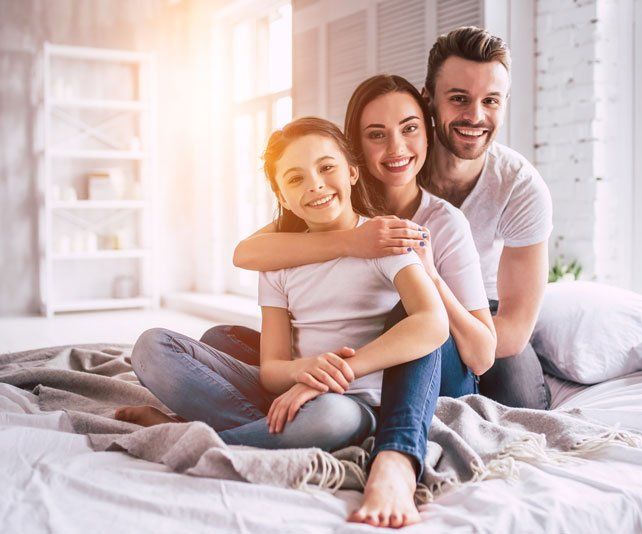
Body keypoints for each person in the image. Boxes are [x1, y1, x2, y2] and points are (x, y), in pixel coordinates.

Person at [116, 117, 458, 528]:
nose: (314, 184)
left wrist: (335, 373)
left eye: (327, 168)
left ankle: (183, 436)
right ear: (282, 195)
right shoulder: (281, 262)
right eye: (295, 179)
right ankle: (263, 431)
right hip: (287, 394)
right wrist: (300, 371)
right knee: (151, 346)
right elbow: (273, 370)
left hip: (351, 403)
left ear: (351, 172)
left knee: (328, 419)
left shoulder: (383, 241)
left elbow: (432, 324)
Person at [227, 75, 496, 400]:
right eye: (377, 135)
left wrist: (432, 277)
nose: (396, 147)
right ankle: (295, 405)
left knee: (410, 313)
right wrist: (354, 242)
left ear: (428, 135)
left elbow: (480, 357)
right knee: (222, 340)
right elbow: (245, 253)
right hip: (348, 365)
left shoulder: (445, 222)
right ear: (356, 149)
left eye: (409, 129)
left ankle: (394, 440)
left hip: (429, 368)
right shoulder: (324, 204)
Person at [420, 26, 554, 409]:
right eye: (459, 98)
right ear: (428, 98)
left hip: (484, 312)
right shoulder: (399, 166)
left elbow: (513, 329)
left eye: (491, 101)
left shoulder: (520, 187)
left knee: (521, 401)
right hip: (404, 306)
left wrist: (452, 340)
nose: (475, 116)